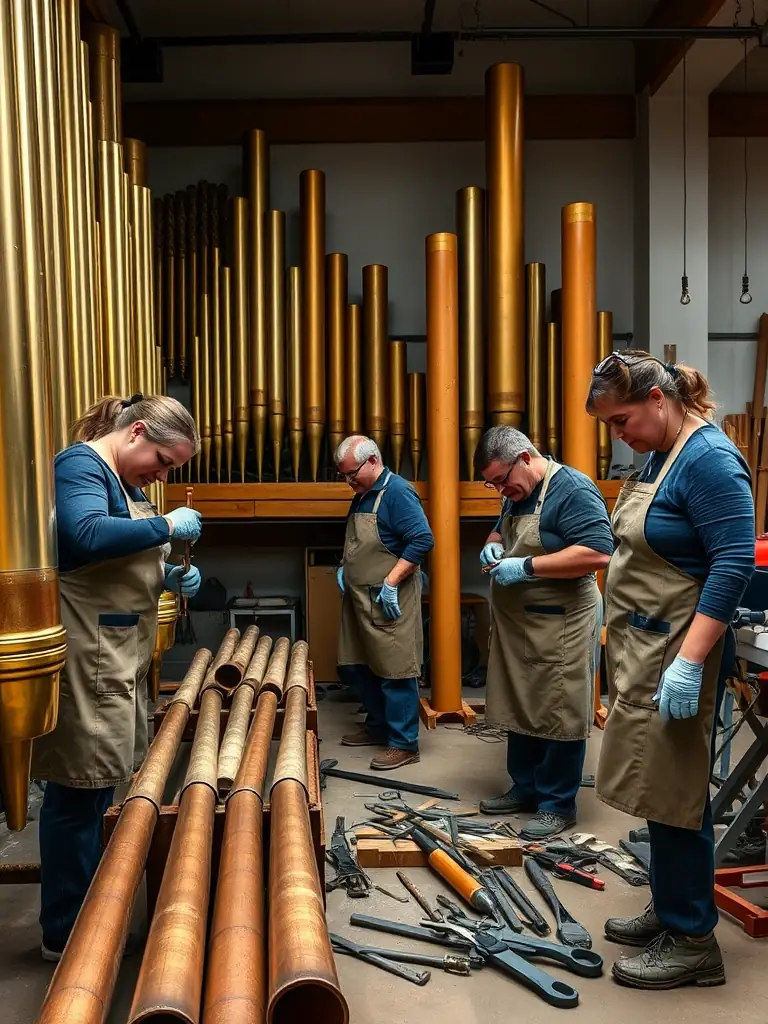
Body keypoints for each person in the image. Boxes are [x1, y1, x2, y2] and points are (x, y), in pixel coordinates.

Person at [587, 350, 754, 989]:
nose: (619, 435)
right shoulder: (660, 455)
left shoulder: (709, 461)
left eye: (623, 419)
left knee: (679, 793)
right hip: (647, 650)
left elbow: (734, 562)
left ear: (660, 400)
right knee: (658, 786)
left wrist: (688, 662)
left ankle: (693, 939)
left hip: (681, 656)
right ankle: (672, 898)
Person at [33, 394, 204, 962]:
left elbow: (121, 567)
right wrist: (164, 523)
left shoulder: (127, 484)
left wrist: (168, 579)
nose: (161, 474)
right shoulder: (80, 466)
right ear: (135, 431)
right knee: (76, 793)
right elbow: (83, 537)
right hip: (91, 656)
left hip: (118, 655)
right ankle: (66, 934)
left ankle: (92, 914)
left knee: (100, 785)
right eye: (163, 460)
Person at [476, 426, 612, 840]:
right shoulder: (517, 491)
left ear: (526, 458)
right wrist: (494, 544)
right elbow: (503, 528)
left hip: (562, 618)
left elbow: (597, 551)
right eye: (492, 483)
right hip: (522, 620)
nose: (500, 488)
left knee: (558, 707)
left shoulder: (571, 489)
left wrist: (528, 566)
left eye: (502, 479)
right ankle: (527, 787)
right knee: (521, 701)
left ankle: (557, 804)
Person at [335, 435, 434, 770]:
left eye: (353, 474)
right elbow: (355, 541)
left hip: (386, 598)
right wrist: (343, 567)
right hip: (359, 600)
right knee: (361, 667)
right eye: (345, 476)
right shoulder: (363, 494)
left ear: (373, 461)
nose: (349, 481)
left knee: (395, 671)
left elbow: (422, 539)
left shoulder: (398, 493)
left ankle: (404, 744)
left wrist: (391, 582)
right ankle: (378, 727)